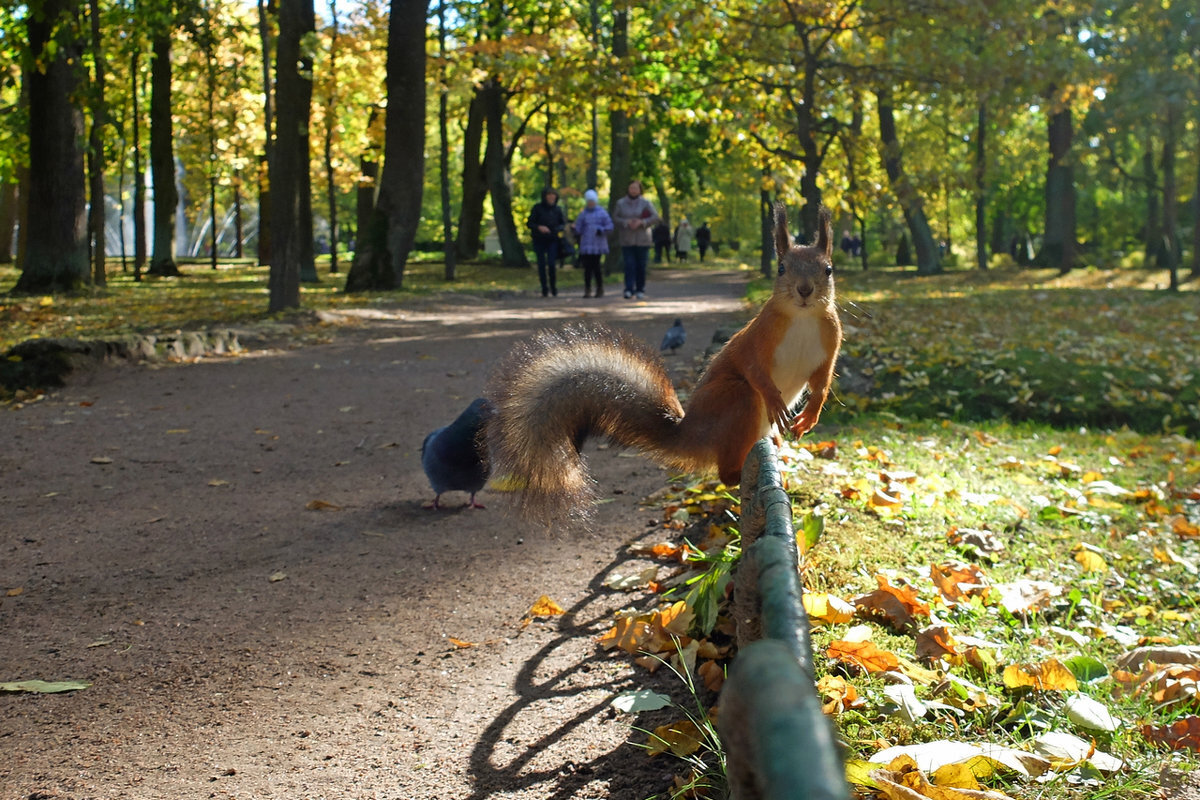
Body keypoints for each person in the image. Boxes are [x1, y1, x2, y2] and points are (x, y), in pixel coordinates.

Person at [612, 180, 660, 299]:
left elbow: (655, 217)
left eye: (636, 188)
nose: (633, 190)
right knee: (629, 265)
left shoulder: (646, 203)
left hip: (642, 239)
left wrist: (642, 222)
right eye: (631, 188)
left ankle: (640, 289)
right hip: (627, 239)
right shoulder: (620, 203)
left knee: (641, 265)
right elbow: (615, 218)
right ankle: (628, 289)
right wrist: (626, 222)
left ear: (640, 190)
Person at [572, 189, 614, 298]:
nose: (591, 203)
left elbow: (610, 226)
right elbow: (578, 228)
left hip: (598, 245)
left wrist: (601, 230)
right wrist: (574, 229)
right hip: (586, 244)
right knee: (587, 268)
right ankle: (587, 289)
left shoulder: (602, 213)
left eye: (592, 200)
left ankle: (599, 288)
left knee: (596, 267)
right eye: (589, 201)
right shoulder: (583, 214)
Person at [526, 187, 567, 297]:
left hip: (552, 240)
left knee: (552, 264)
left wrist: (556, 229)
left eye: (553, 195)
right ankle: (544, 288)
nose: (551, 197)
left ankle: (553, 287)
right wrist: (539, 227)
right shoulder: (537, 208)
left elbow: (562, 224)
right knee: (541, 265)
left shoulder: (557, 210)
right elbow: (530, 223)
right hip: (539, 240)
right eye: (549, 195)